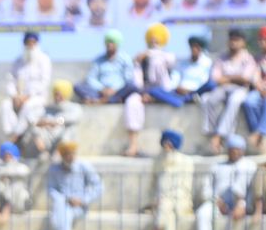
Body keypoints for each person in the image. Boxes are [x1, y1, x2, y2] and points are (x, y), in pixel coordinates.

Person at [138, 130, 196, 230]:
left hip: (181, 202)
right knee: (169, 217)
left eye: (169, 145)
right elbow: (152, 185)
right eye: (164, 144)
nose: (166, 147)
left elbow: (186, 188)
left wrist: (167, 198)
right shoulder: (157, 161)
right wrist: (153, 200)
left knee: (166, 205)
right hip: (162, 204)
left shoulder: (186, 162)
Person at [194, 134, 256, 230]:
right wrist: (217, 201)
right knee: (202, 213)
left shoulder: (249, 165)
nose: (235, 152)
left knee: (243, 169)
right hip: (217, 203)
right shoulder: (216, 165)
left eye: (238, 149)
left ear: (243, 151)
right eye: (232, 149)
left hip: (241, 204)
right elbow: (205, 188)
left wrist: (241, 204)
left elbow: (252, 191)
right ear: (227, 150)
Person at [46, 140, 102, 230]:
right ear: (62, 156)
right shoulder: (54, 169)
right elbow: (51, 191)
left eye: (72, 153)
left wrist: (83, 200)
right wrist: (65, 199)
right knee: (62, 207)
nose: (70, 156)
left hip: (79, 207)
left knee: (62, 212)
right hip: (61, 205)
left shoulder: (84, 166)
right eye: (67, 154)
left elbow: (99, 186)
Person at [202, 30, 257, 154]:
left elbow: (245, 78)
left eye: (237, 40)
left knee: (234, 100)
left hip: (241, 89)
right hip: (222, 88)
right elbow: (215, 78)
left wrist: (226, 76)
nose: (233, 42)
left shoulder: (248, 58)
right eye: (231, 39)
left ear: (243, 42)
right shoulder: (220, 58)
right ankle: (211, 133)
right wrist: (235, 77)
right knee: (207, 99)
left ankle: (219, 135)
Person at [127, 23, 177, 157]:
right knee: (132, 102)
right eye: (151, 39)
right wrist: (143, 93)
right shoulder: (140, 58)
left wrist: (149, 53)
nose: (153, 41)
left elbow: (170, 61)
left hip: (163, 92)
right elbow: (136, 80)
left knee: (157, 61)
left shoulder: (167, 55)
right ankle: (133, 144)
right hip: (145, 91)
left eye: (156, 38)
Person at [1, 32, 52, 141]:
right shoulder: (18, 62)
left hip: (37, 97)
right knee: (5, 105)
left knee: (28, 105)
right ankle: (11, 133)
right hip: (18, 97)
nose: (30, 45)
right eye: (28, 42)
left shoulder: (44, 59)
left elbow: (44, 83)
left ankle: (17, 135)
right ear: (24, 43)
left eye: (33, 42)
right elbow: (10, 81)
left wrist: (28, 96)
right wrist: (15, 96)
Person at [21, 79, 81, 158]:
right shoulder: (47, 108)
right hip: (47, 139)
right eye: (55, 95)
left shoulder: (74, 108)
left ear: (65, 95)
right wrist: (37, 122)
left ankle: (58, 155)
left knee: (70, 127)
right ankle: (44, 153)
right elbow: (30, 116)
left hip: (62, 140)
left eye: (59, 95)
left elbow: (74, 117)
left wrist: (57, 121)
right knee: (33, 126)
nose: (57, 97)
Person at [75, 30, 137, 106]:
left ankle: (104, 100)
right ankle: (105, 99)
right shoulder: (98, 60)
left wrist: (114, 88)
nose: (109, 44)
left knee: (132, 86)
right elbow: (90, 78)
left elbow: (128, 78)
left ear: (117, 44)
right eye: (107, 42)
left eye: (112, 42)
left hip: (117, 91)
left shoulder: (125, 58)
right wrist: (101, 88)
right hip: (100, 92)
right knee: (78, 86)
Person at [148, 35, 213, 107]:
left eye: (196, 46)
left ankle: (182, 100)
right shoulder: (181, 64)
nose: (194, 49)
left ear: (200, 48)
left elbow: (203, 82)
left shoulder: (207, 63)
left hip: (196, 92)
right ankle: (180, 101)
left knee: (211, 84)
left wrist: (188, 90)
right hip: (180, 94)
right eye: (192, 46)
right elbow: (174, 81)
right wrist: (177, 88)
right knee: (154, 90)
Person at [0, 141, 30, 225]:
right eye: (4, 154)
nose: (7, 156)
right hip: (0, 200)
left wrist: (7, 174)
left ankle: (7, 209)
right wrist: (0, 174)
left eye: (9, 154)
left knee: (17, 182)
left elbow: (23, 172)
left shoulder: (21, 167)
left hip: (17, 202)